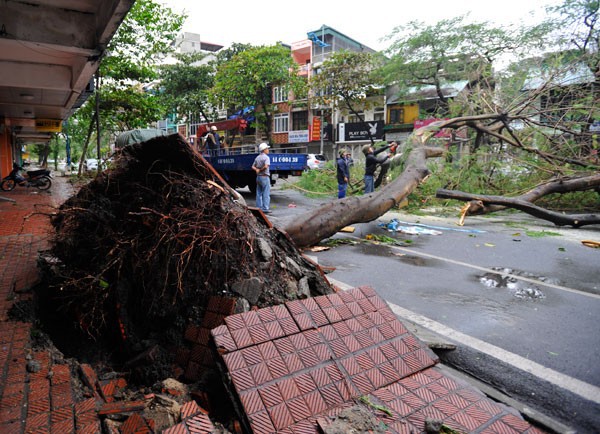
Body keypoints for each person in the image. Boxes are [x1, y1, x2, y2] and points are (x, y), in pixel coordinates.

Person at [252, 143, 271, 213]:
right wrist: (260, 170)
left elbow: (252, 167)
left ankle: (258, 208)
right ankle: (265, 208)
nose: (268, 150)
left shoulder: (257, 157)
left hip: (258, 177)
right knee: (266, 193)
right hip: (265, 177)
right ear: (264, 150)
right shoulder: (266, 157)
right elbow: (266, 166)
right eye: (267, 149)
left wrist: (257, 170)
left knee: (259, 193)